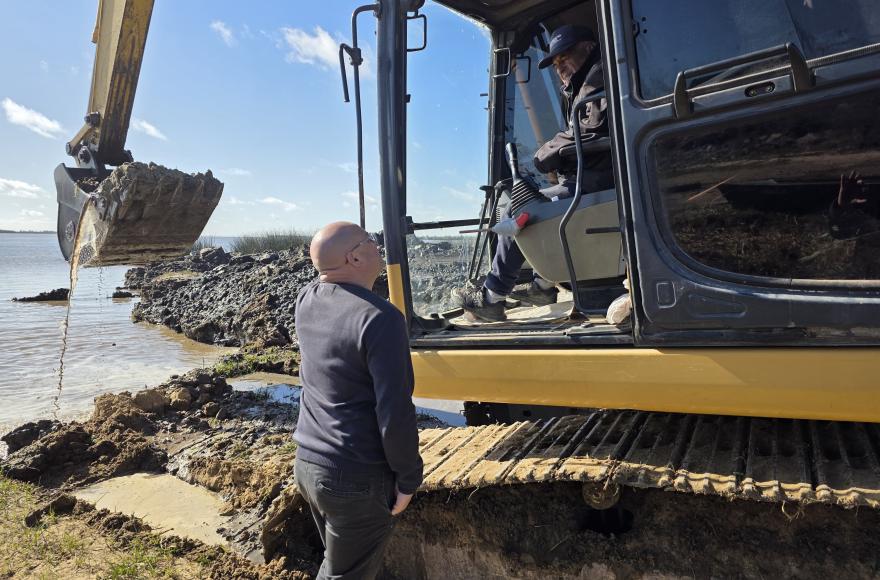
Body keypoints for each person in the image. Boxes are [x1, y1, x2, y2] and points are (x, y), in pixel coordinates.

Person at [456, 24, 613, 321]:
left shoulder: (598, 78)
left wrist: (545, 154)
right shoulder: (585, 85)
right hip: (593, 181)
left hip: (596, 185)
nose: (560, 67)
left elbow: (589, 133)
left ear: (588, 48)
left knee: (519, 211)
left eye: (565, 57)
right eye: (555, 63)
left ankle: (491, 297)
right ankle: (543, 284)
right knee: (532, 205)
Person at [293, 221, 423, 579]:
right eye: (371, 240)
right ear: (355, 257)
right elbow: (394, 411)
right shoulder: (381, 318)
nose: (378, 245)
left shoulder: (305, 300)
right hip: (354, 477)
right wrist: (409, 478)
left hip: (308, 464)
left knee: (346, 566)